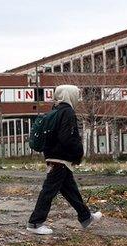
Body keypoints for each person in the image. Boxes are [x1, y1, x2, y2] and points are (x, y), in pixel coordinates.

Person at [27, 85, 102, 235]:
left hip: (54, 157)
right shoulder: (67, 112)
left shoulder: (54, 111)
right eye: (76, 95)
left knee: (71, 190)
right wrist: (78, 153)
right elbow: (67, 137)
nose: (78, 98)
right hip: (60, 159)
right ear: (70, 96)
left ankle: (85, 217)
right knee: (48, 191)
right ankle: (35, 223)